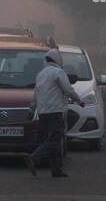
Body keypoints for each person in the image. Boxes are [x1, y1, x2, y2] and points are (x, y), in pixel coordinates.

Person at [25, 49, 83, 178]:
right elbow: (68, 90)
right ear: (58, 59)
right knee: (55, 140)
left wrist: (31, 109)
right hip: (55, 111)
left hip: (42, 112)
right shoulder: (58, 72)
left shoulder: (41, 74)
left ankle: (55, 170)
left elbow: (36, 94)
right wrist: (79, 101)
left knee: (50, 140)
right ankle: (34, 158)